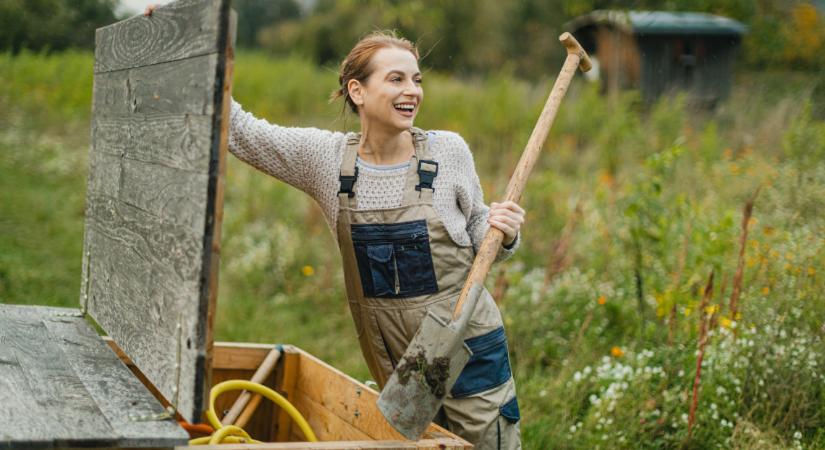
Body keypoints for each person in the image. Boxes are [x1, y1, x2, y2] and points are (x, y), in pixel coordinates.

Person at [146, 6, 523, 445]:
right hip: (399, 364)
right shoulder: (327, 161)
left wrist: (504, 230)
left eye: (417, 79)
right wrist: (184, 45)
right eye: (396, 79)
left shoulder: (448, 152)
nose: (413, 91)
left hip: (470, 346)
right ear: (357, 91)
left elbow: (478, 226)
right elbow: (242, 131)